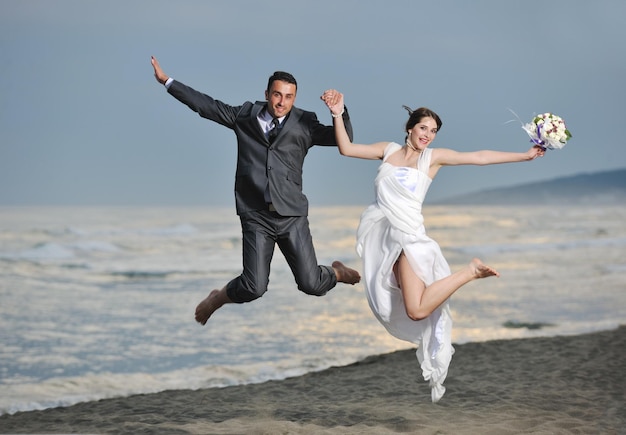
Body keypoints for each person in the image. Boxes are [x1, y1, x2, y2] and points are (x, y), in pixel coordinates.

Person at [321, 89, 545, 402]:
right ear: (409, 128)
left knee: (416, 310)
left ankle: (468, 272)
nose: (428, 135)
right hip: (385, 242)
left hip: (411, 240)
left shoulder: (432, 158)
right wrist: (337, 112)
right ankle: (461, 272)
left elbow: (478, 158)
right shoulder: (387, 151)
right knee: (397, 308)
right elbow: (345, 148)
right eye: (424, 128)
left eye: (434, 131)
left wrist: (524, 155)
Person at [150, 56, 361, 325]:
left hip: (291, 216)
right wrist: (167, 81)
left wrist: (339, 112)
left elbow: (343, 139)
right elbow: (206, 106)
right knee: (253, 287)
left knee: (312, 284)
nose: (282, 102)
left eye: (288, 96)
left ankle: (337, 273)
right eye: (277, 95)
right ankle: (218, 298)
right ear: (267, 94)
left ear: (295, 98)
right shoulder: (244, 116)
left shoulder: (305, 123)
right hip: (256, 215)